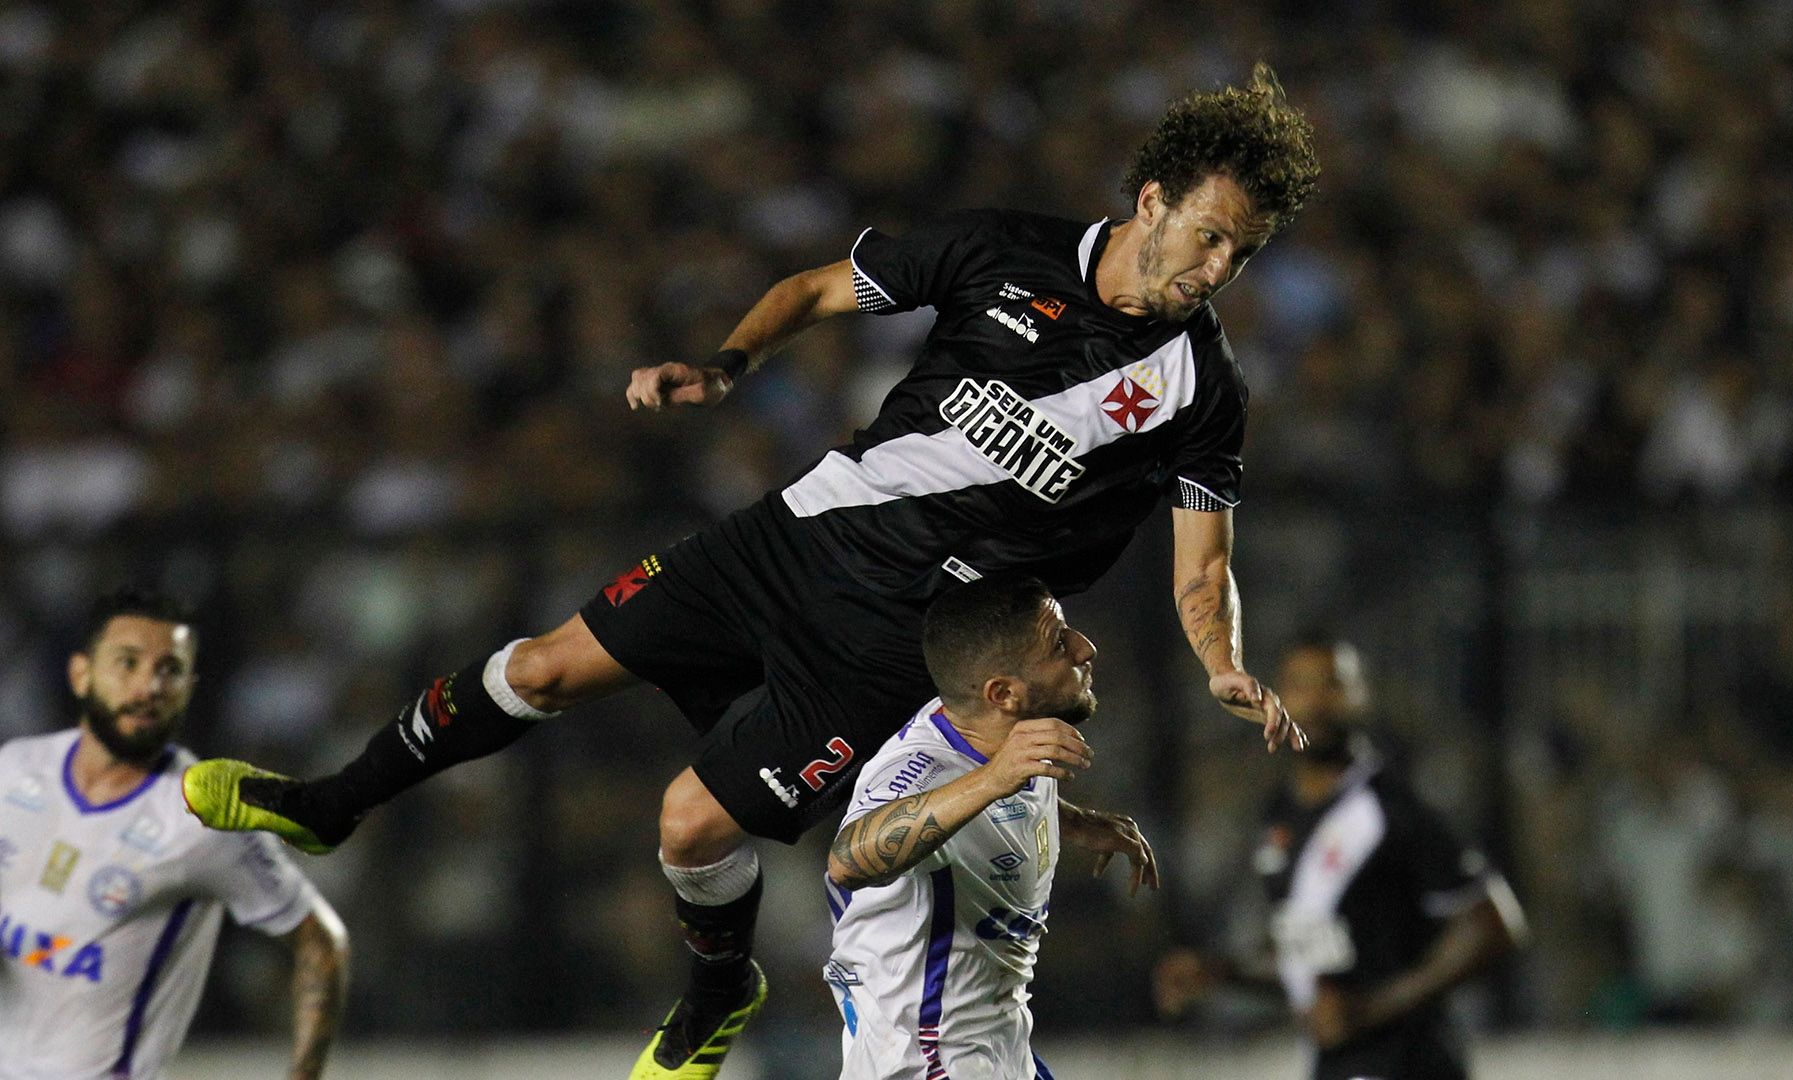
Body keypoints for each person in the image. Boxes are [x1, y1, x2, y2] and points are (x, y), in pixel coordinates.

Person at [183, 63, 1316, 1078]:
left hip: (897, 637)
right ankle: (331, 804)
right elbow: (821, 289)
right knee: (542, 667)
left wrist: (1222, 661)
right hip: (790, 534)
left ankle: (721, 987)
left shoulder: (1201, 390)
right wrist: (725, 364)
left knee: (687, 829)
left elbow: (1202, 563)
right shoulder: (1002, 248)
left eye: (1243, 254)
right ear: (1152, 199)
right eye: (1210, 236)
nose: (1217, 269)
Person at [0, 587, 348, 1080]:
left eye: (170, 669)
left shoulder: (202, 820)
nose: (150, 687)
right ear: (81, 674)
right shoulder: (15, 771)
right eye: (128, 663)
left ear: (189, 686)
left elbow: (320, 941)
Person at [823, 574, 1156, 1080]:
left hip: (1001, 1046)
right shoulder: (921, 768)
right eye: (1058, 643)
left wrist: (1075, 822)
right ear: (1002, 693)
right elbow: (849, 858)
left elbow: (984, 796)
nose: (1085, 648)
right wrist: (993, 780)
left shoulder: (998, 733)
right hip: (925, 1061)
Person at [1153, 636, 1526, 1080]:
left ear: (1362, 695)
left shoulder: (1392, 807)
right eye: (1299, 685)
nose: (1315, 702)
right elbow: (1310, 949)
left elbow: (1493, 926)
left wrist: (1373, 1006)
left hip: (1409, 1062)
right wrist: (1220, 971)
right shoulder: (1278, 814)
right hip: (1337, 1064)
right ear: (1273, 697)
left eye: (1332, 684)